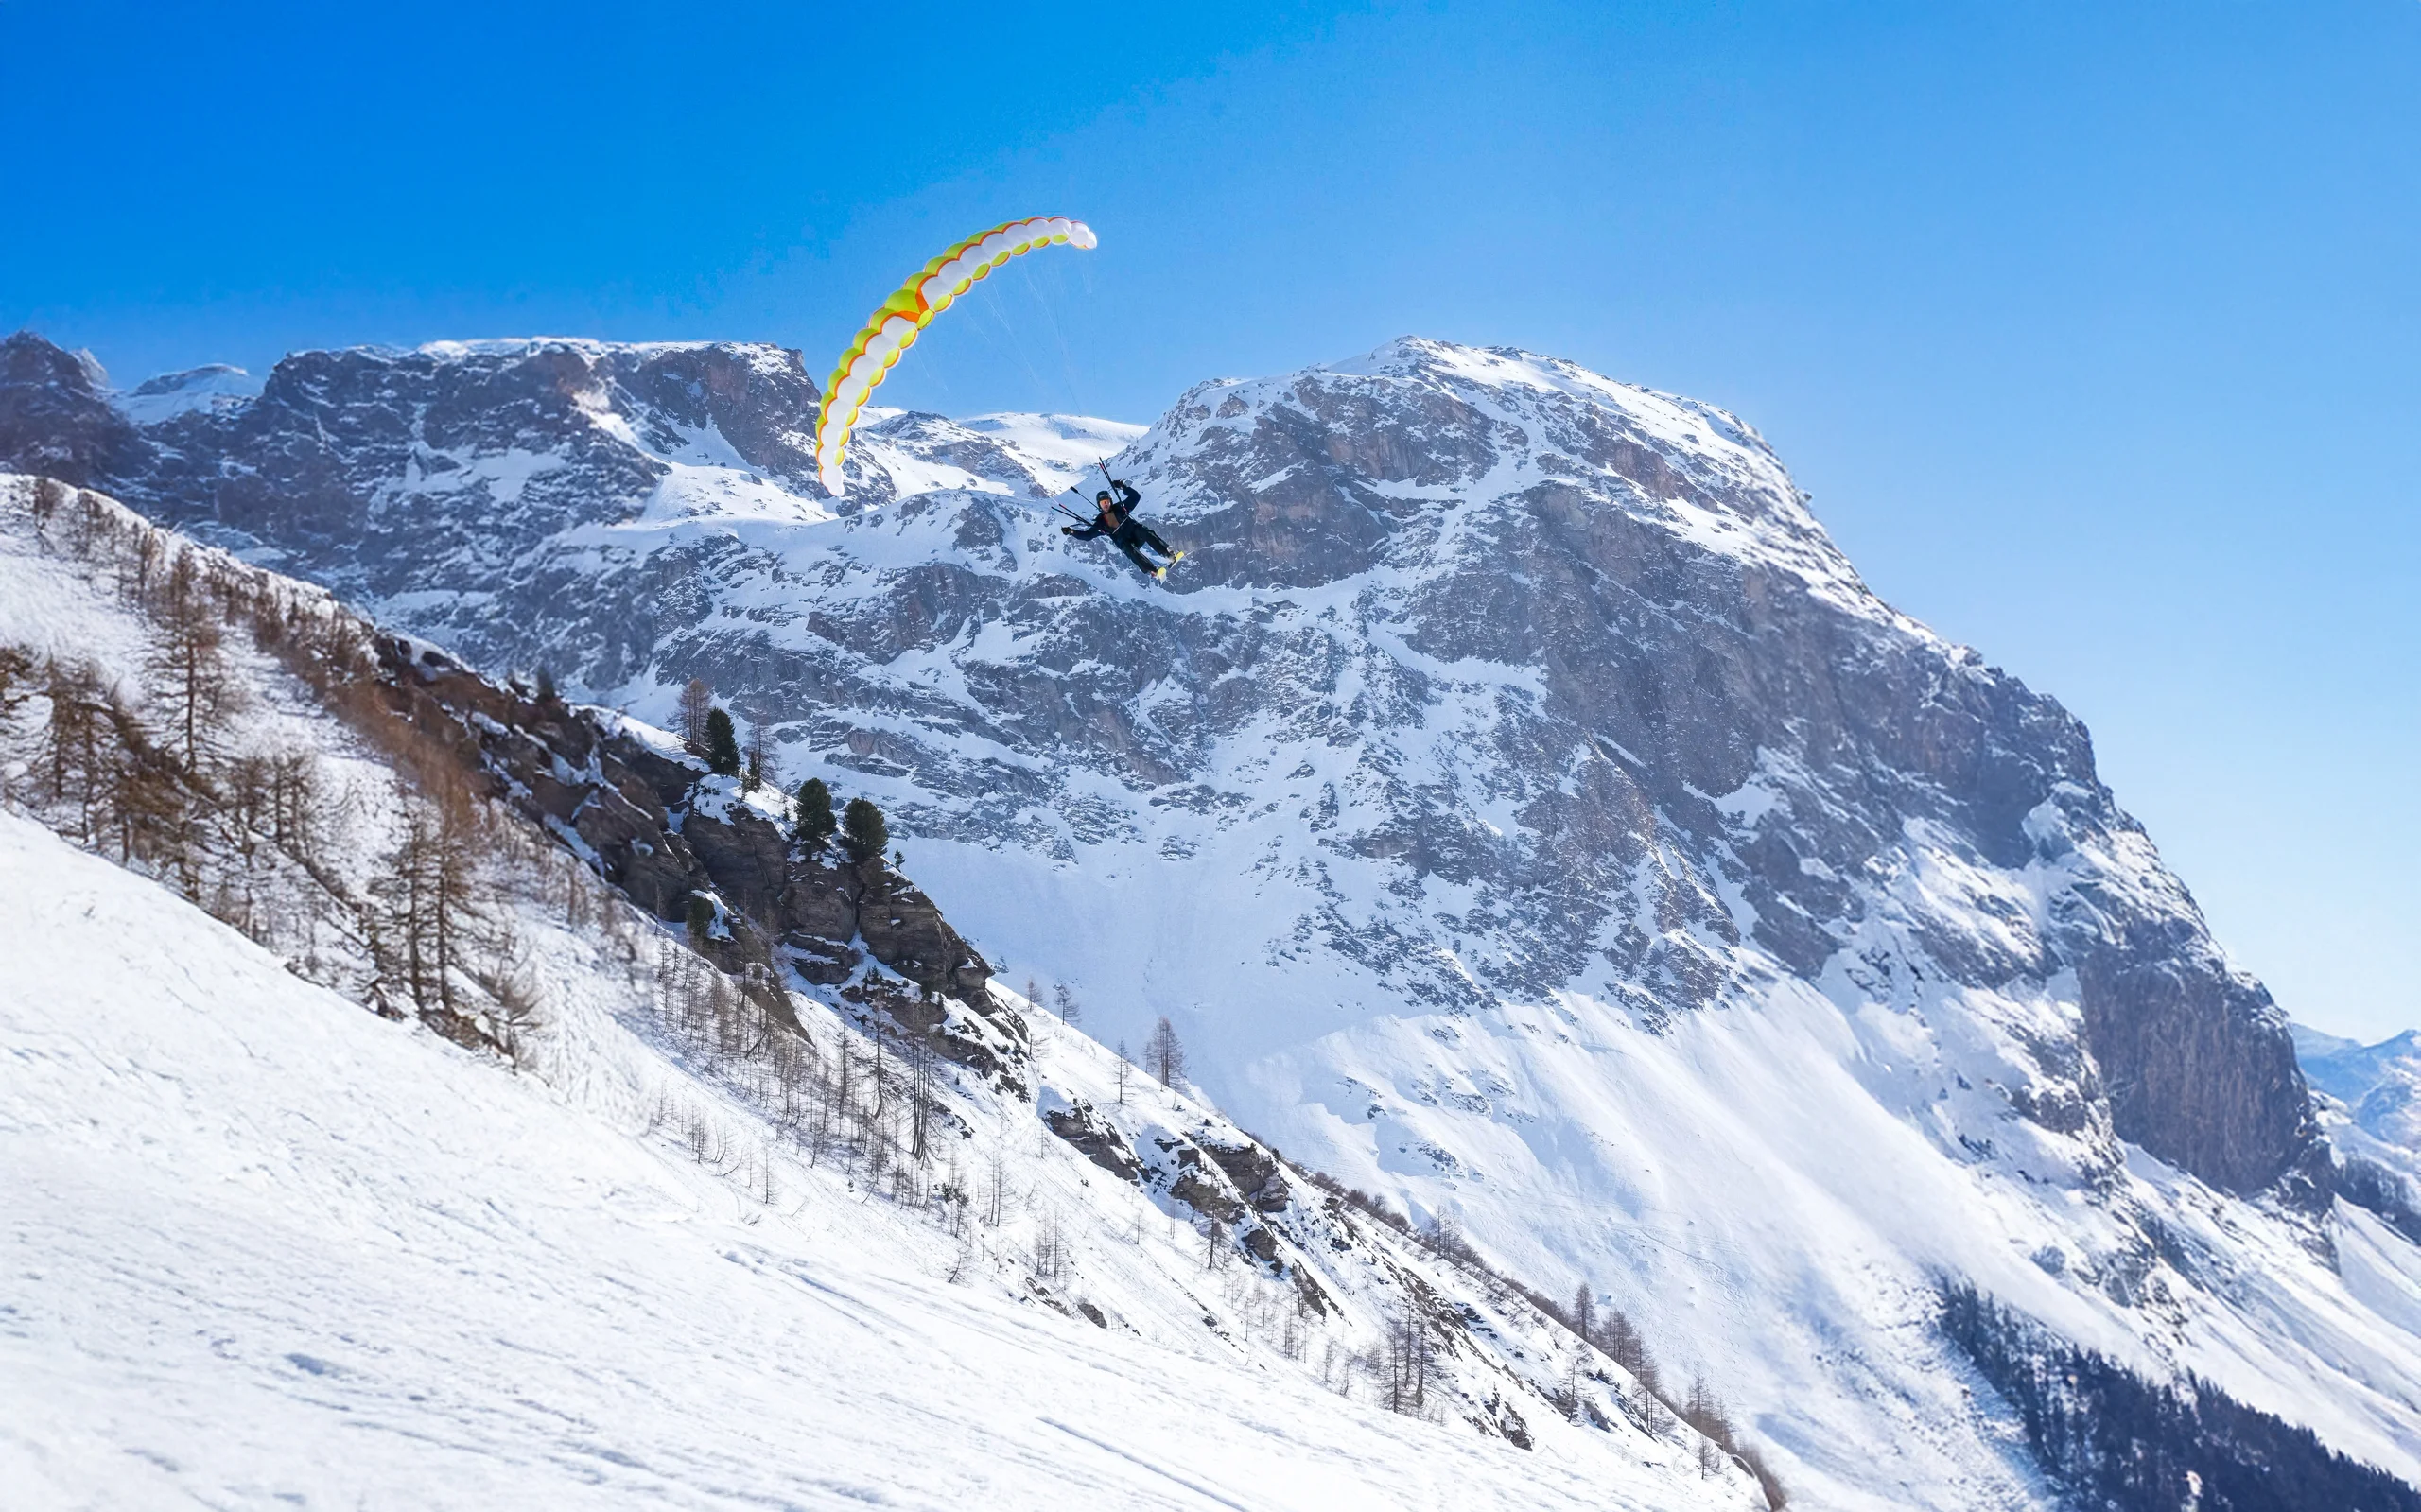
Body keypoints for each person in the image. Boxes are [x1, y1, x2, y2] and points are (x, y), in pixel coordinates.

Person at [1063, 478, 1182, 581]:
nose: (1106, 504)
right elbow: (1087, 536)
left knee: (1144, 531)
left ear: (1111, 502)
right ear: (1099, 505)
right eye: (1103, 503)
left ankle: (1169, 555)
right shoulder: (1100, 523)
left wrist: (1123, 486)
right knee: (1127, 547)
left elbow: (1135, 497)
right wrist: (1071, 532)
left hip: (1136, 534)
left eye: (1107, 501)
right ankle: (1153, 571)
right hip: (1127, 543)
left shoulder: (1120, 508)